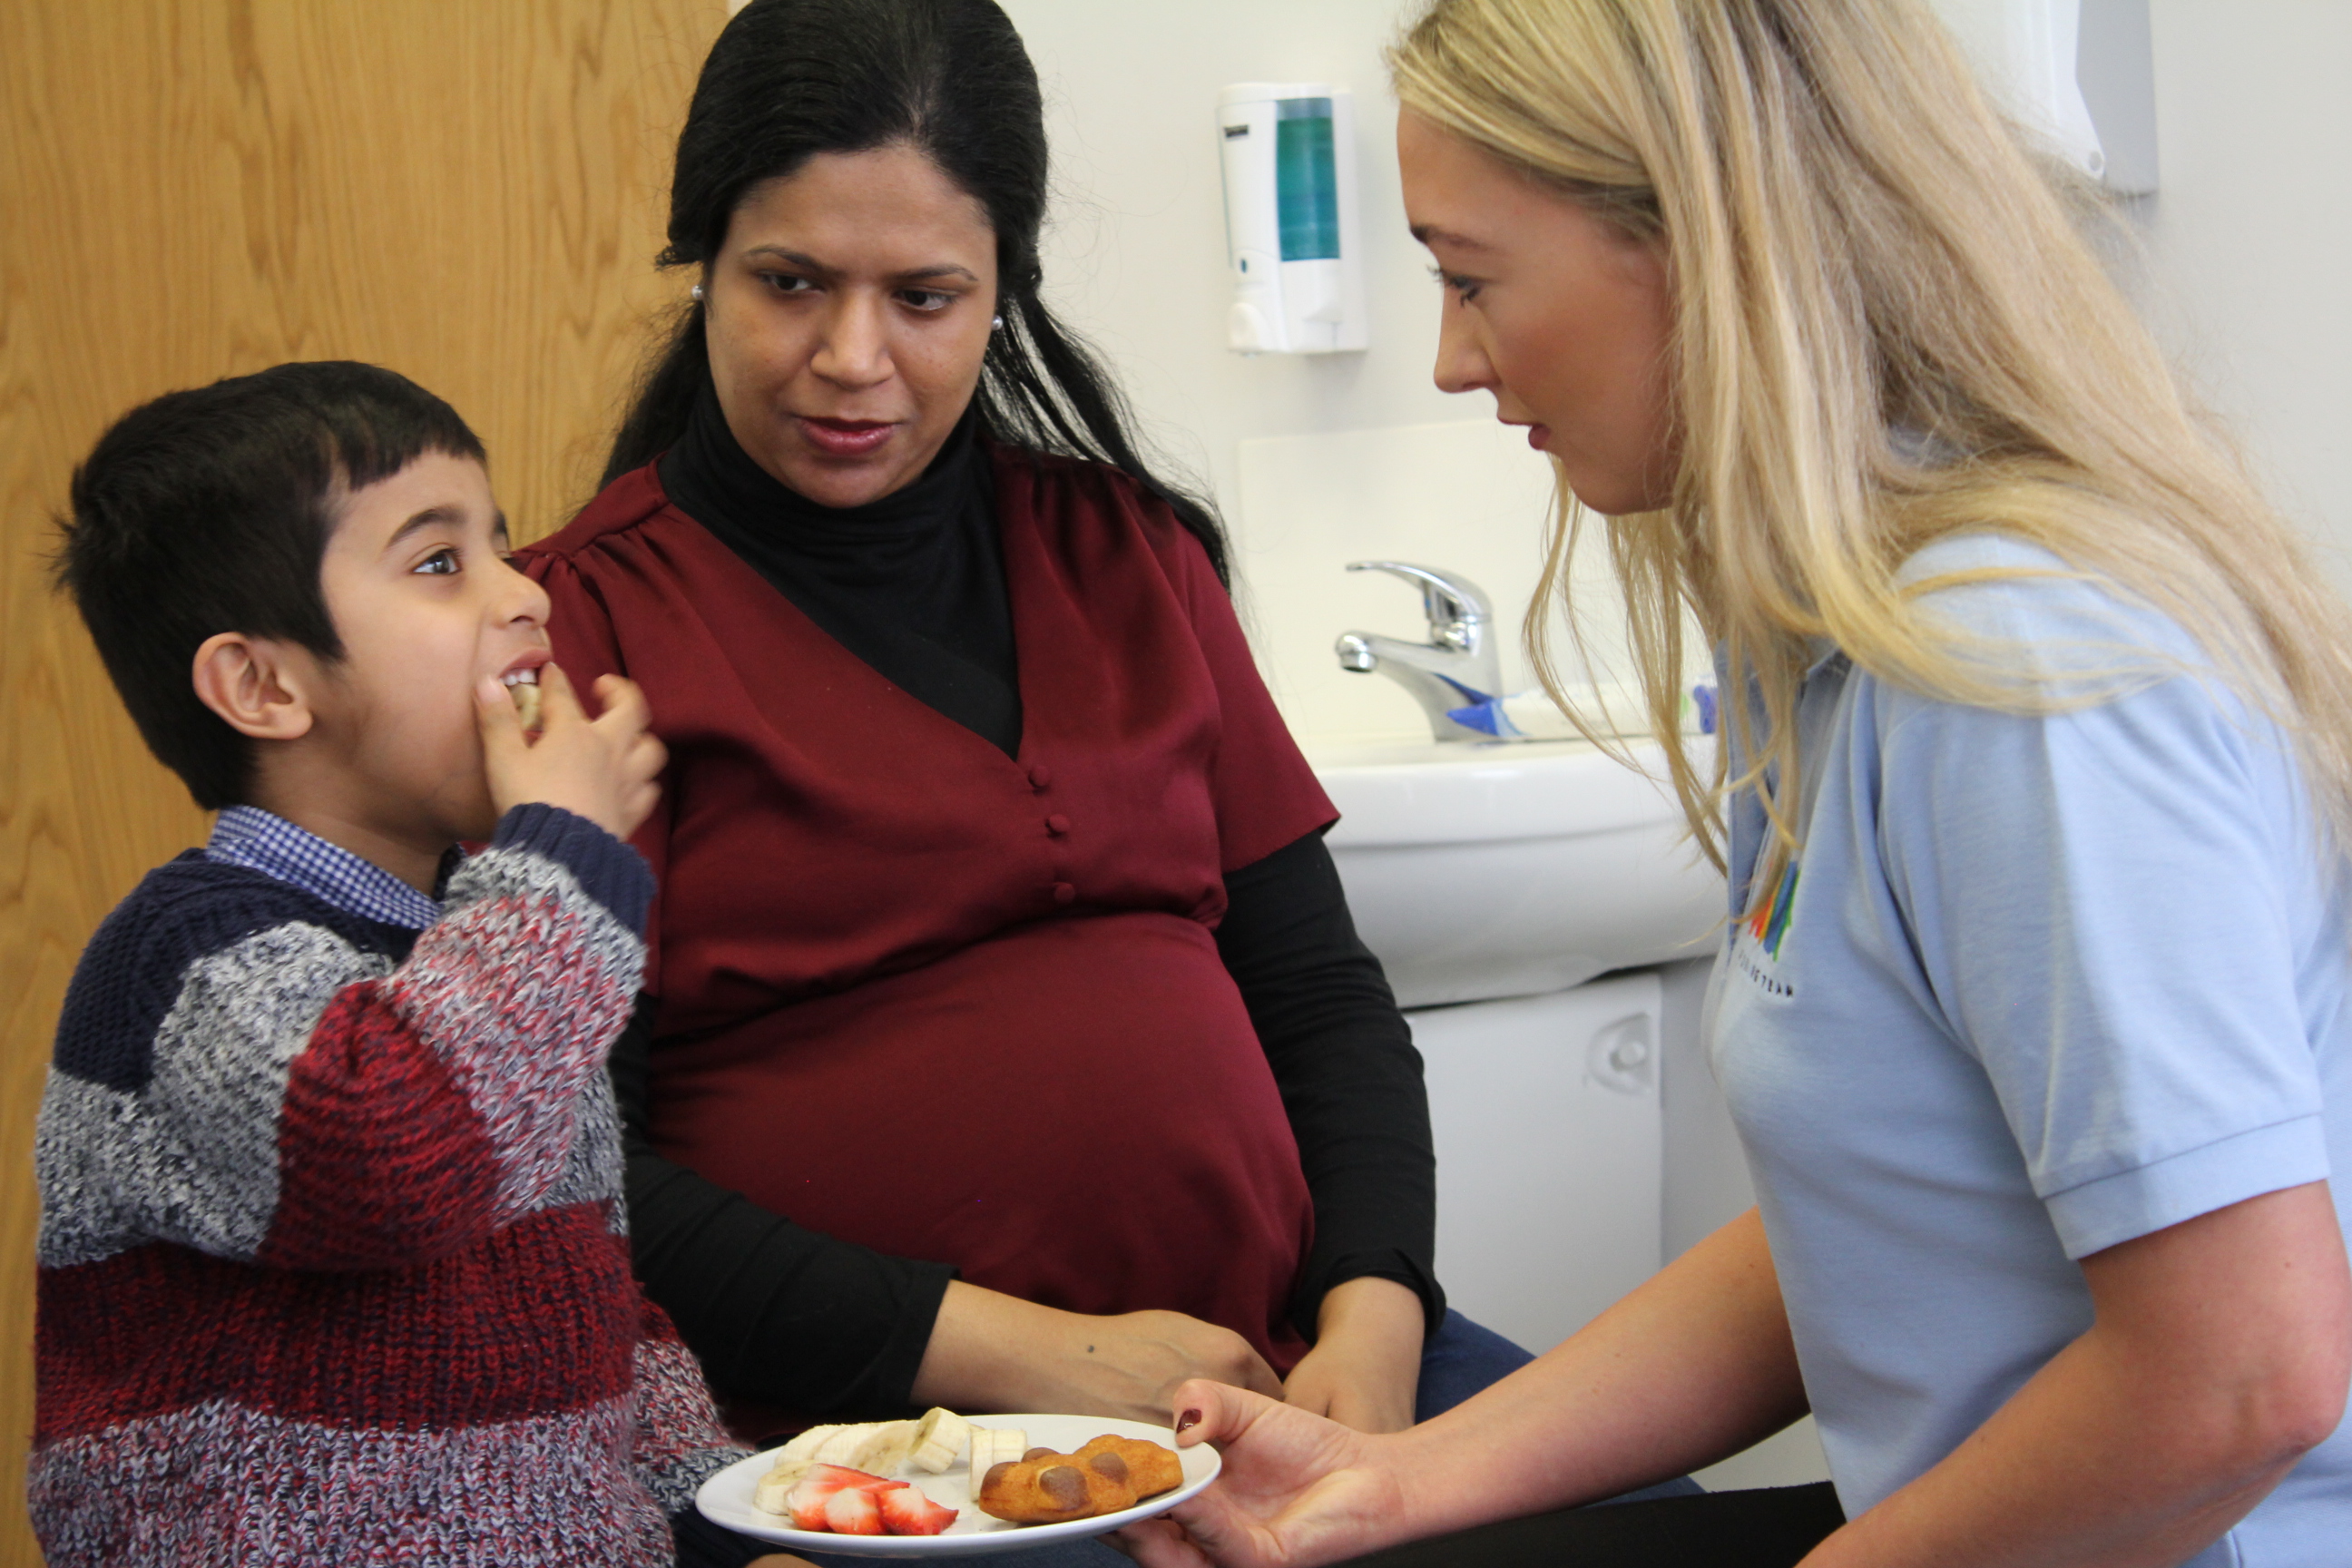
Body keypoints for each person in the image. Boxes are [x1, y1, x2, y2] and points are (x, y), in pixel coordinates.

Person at [1118, 2, 2352, 1566]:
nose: (1449, 356)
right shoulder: (1836, 653)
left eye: (1471, 276)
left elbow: (2244, 1381)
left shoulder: (2016, 677)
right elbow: (1877, 1226)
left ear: (1700, 244)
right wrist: (1394, 1482)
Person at [521, 0, 1526, 1471]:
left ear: (1006, 292)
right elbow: (564, 1164)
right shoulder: (580, 633)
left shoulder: (1134, 559)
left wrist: (1377, 1319)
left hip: (1278, 1372)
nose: (852, 356)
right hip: (866, 1449)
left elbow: (1315, 993)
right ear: (703, 271)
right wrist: (1029, 1352)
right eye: (790, 283)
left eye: (924, 298)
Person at [32, 362, 784, 1567]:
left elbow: (593, 1311)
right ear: (263, 685)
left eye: (499, 543)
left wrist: (728, 1520)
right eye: (441, 563)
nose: (524, 590)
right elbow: (390, 1156)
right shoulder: (191, 955)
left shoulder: (484, 952)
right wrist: (567, 857)